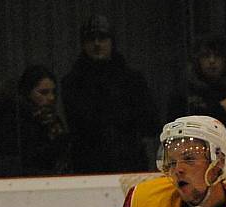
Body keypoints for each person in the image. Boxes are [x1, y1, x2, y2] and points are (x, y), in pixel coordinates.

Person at [62, 14, 159, 173]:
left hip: (129, 162)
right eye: (91, 39)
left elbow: (150, 123)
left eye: (102, 38)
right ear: (83, 44)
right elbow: (80, 125)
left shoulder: (132, 80)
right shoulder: (73, 82)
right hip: (89, 165)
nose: (97, 44)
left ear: (112, 42)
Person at [0, 65, 71, 177]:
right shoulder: (13, 119)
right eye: (43, 92)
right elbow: (19, 160)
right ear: (28, 92)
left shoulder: (52, 120)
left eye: (53, 92)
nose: (51, 97)